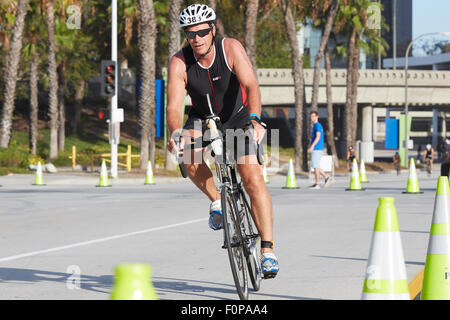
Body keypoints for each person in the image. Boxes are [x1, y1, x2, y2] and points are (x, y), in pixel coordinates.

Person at [166, 4, 278, 279]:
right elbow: (173, 106)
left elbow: (251, 86)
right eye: (190, 34)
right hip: (203, 118)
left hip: (238, 117)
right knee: (187, 154)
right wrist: (175, 132)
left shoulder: (231, 49)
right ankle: (217, 201)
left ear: (212, 30)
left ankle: (267, 251)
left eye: (202, 32)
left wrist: (255, 119)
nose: (197, 38)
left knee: (252, 178)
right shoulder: (179, 62)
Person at [308, 111, 330, 189]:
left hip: (317, 148)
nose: (312, 118)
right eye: (311, 116)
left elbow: (318, 137)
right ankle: (326, 177)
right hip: (316, 148)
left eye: (313, 116)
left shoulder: (317, 125)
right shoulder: (315, 126)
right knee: (315, 166)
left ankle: (317, 184)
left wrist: (312, 146)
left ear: (317, 117)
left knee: (316, 166)